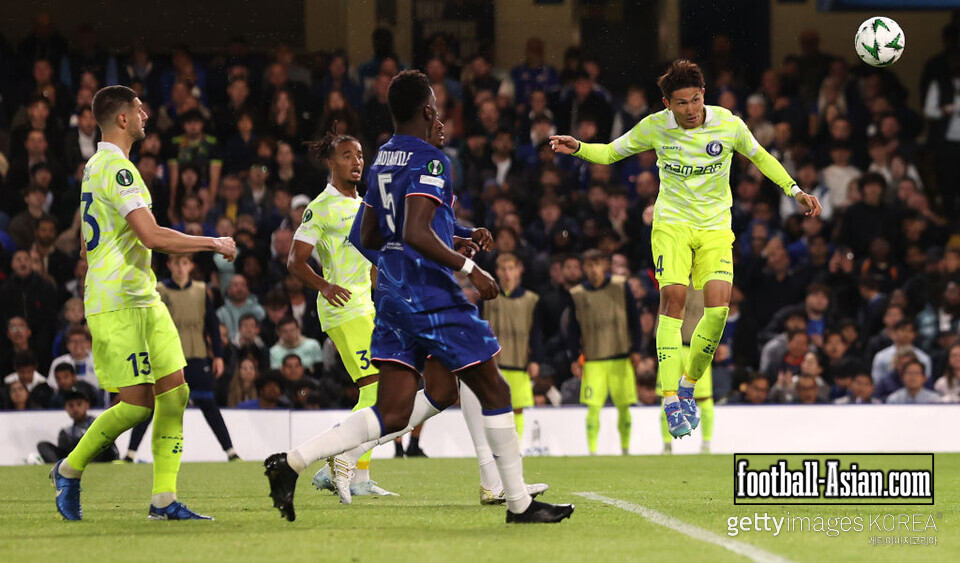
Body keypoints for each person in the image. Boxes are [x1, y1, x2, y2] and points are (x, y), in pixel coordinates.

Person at [264, 71, 572, 524]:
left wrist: (415, 253)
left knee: (396, 408)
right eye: (437, 106)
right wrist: (469, 267)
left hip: (390, 298)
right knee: (495, 387)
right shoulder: (431, 160)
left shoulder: (384, 157)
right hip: (432, 296)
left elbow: (365, 233)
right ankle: (516, 502)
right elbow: (413, 230)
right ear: (428, 110)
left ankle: (289, 462)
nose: (440, 113)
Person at [549, 59, 821, 439]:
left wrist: (794, 190)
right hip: (672, 225)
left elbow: (760, 157)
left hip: (714, 228)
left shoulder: (728, 124)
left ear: (703, 94)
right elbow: (611, 153)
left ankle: (689, 384)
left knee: (718, 309)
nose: (691, 110)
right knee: (673, 300)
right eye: (682, 103)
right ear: (666, 104)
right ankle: (670, 398)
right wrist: (578, 147)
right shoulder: (655, 128)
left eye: (695, 100)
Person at [308, 117, 549, 506]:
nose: (440, 123)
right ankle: (329, 457)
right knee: (439, 380)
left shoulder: (401, 161)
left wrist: (465, 238)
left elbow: (414, 231)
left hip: (408, 293)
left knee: (442, 390)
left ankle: (343, 456)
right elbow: (404, 234)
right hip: (415, 297)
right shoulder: (418, 164)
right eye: (433, 114)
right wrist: (457, 266)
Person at [51, 85, 236, 522]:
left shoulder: (97, 166)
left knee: (176, 393)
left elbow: (84, 242)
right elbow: (151, 236)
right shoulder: (117, 169)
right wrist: (211, 241)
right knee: (137, 404)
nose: (146, 114)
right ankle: (68, 469)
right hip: (117, 302)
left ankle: (163, 500)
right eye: (138, 108)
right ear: (121, 119)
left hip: (142, 296)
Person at [287, 128, 396, 496]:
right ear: (331, 162)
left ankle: (356, 475)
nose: (357, 162)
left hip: (366, 308)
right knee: (378, 392)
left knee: (380, 395)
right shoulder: (321, 207)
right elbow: (295, 261)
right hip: (342, 309)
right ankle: (340, 464)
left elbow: (369, 260)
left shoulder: (361, 204)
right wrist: (325, 286)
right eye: (347, 156)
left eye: (360, 155)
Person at [157, 254, 238, 460]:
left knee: (209, 404)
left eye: (185, 262)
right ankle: (132, 453)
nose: (181, 267)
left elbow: (212, 325)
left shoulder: (202, 290)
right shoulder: (160, 290)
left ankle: (230, 451)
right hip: (169, 359)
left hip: (197, 356)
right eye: (176, 262)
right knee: (158, 407)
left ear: (191, 265)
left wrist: (218, 355)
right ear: (169, 265)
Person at [567, 250, 640, 455]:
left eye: (597, 264)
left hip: (621, 356)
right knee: (593, 407)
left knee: (624, 406)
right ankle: (592, 452)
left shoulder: (620, 286)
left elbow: (634, 320)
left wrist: (636, 349)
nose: (593, 269)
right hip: (593, 360)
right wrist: (574, 358)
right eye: (589, 265)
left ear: (605, 265)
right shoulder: (578, 294)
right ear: (584, 267)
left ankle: (626, 449)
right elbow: (573, 330)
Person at [479, 252, 542, 440]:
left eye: (511, 269)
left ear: (518, 270)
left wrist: (536, 359)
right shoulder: (488, 297)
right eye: (503, 269)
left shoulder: (531, 300)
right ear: (497, 272)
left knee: (518, 408)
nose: (507, 273)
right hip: (494, 364)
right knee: (493, 409)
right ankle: (494, 449)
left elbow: (536, 333)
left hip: (519, 362)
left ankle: (517, 447)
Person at [37, 387, 119, 464]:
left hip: (99, 461)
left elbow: (112, 451)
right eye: (71, 406)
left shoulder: (99, 423)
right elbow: (63, 454)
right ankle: (60, 470)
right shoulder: (65, 433)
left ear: (87, 405)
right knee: (43, 445)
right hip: (75, 463)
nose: (75, 409)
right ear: (66, 408)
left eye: (79, 404)